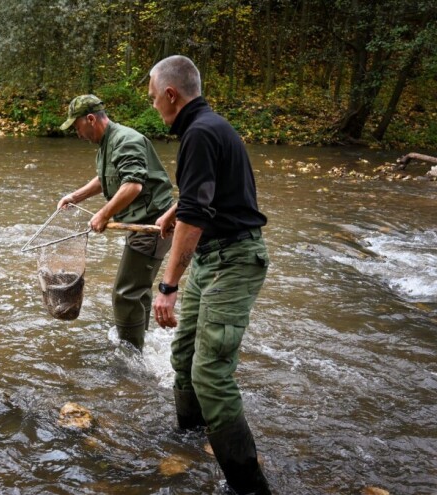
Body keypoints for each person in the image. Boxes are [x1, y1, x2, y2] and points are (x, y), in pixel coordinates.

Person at [148, 56, 272, 494]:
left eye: (152, 98)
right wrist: (173, 209)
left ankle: (248, 485)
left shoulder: (199, 133)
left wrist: (167, 288)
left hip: (233, 260)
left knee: (211, 374)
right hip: (212, 258)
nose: (153, 107)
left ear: (170, 94)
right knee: (183, 355)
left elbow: (198, 215)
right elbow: (203, 195)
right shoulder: (209, 126)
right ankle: (191, 438)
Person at [57, 94, 174, 350]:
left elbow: (132, 185)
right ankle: (141, 343)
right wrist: (75, 196)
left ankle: (130, 358)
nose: (78, 134)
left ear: (90, 119)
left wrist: (104, 214)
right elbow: (105, 179)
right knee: (138, 290)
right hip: (140, 226)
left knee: (124, 295)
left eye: (77, 127)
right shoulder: (107, 143)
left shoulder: (126, 140)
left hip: (153, 227)